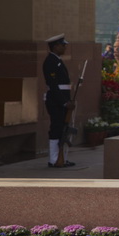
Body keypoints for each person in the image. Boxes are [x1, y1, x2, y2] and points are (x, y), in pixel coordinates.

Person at [42, 34, 76, 168]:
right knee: (56, 128)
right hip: (56, 101)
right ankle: (54, 159)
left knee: (62, 129)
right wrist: (64, 102)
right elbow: (53, 85)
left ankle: (61, 158)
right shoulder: (50, 61)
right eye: (63, 45)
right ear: (55, 46)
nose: (65, 47)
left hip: (62, 100)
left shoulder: (57, 60)